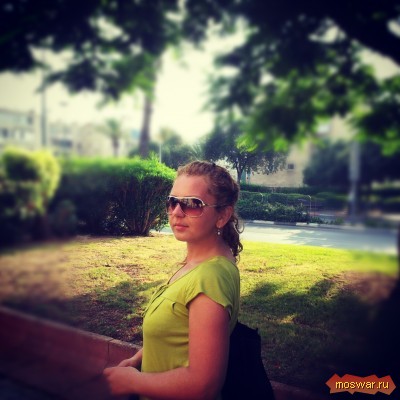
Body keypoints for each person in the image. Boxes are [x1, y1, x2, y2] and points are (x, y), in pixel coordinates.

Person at [103, 160, 242, 400]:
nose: (177, 212)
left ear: (222, 215)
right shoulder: (201, 264)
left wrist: (132, 381)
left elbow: (203, 385)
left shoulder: (209, 278)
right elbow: (178, 333)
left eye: (192, 204)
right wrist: (138, 359)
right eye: (173, 202)